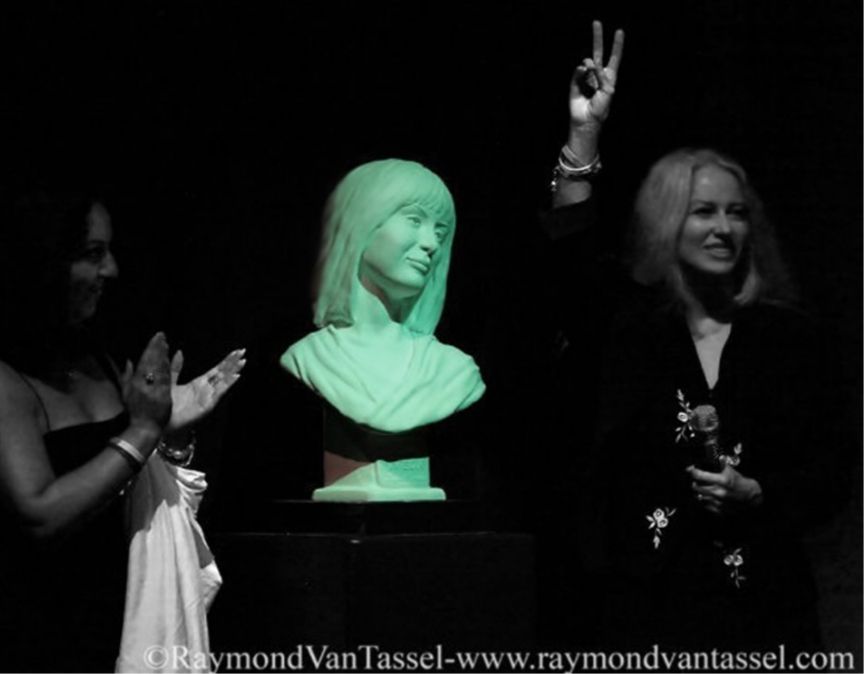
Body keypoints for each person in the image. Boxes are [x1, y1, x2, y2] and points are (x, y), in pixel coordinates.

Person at [543, 22, 849, 653]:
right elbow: (571, 262)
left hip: (766, 612)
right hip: (647, 609)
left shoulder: (790, 337)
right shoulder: (632, 327)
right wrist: (583, 137)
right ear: (665, 221)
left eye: (736, 213)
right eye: (703, 211)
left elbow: (831, 473)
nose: (723, 229)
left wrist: (758, 492)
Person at [0, 189, 245, 672]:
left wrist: (169, 436)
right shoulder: (7, 381)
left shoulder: (101, 360)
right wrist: (143, 431)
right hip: (43, 640)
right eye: (93, 254)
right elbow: (40, 514)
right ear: (43, 262)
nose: (110, 270)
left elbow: (125, 486)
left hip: (122, 623)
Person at [280, 159, 485, 501]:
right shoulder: (310, 357)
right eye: (415, 220)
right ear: (362, 222)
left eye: (440, 232)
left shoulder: (453, 371)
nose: (431, 244)